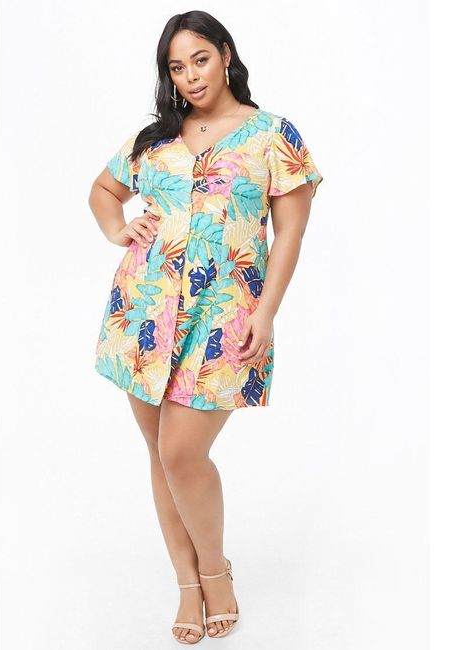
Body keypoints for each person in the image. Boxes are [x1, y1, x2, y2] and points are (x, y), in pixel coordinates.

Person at [88, 9, 323, 644]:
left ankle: (215, 571)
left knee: (181, 452)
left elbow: (290, 232)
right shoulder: (155, 138)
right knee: (160, 455)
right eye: (176, 67)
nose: (191, 77)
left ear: (225, 55)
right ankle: (186, 584)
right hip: (142, 314)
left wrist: (266, 313)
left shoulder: (273, 134)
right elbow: (103, 191)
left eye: (200, 59)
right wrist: (118, 229)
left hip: (224, 317)